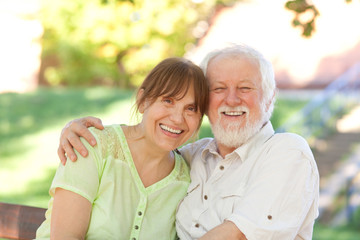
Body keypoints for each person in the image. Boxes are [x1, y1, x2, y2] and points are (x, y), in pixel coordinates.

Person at [57, 44, 320, 240]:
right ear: (207, 102)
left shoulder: (286, 152)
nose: (231, 100)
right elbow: (148, 140)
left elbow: (240, 234)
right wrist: (77, 130)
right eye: (218, 89)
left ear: (270, 98)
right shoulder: (192, 156)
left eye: (245, 88)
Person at [36, 57, 209, 240]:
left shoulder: (188, 181)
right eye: (168, 101)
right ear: (143, 101)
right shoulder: (93, 146)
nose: (177, 118)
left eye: (191, 109)